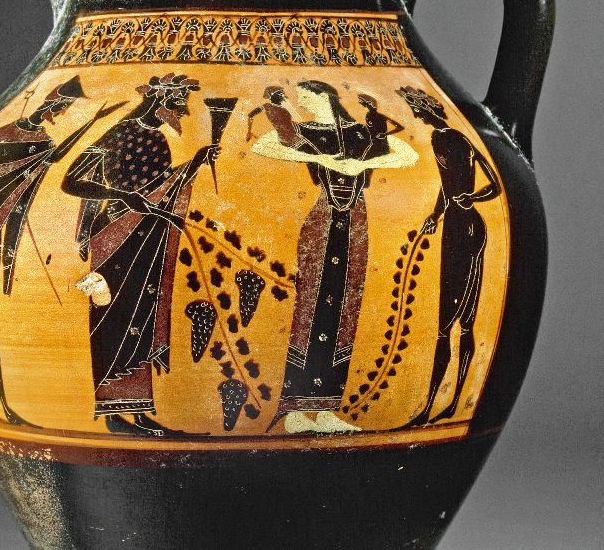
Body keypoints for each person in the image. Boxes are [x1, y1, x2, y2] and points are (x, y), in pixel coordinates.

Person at [254, 81, 418, 434]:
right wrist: (319, 158)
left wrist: (361, 165)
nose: (302, 102)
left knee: (346, 310)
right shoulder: (306, 132)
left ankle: (328, 409)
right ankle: (295, 412)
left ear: (323, 96)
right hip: (322, 222)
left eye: (306, 96)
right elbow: (263, 143)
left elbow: (408, 154)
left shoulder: (361, 133)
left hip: (355, 222)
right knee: (310, 306)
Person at [62, 73, 219, 437]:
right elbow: (70, 182)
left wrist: (195, 163)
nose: (181, 113)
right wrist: (121, 197)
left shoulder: (159, 138)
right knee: (112, 318)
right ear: (158, 100)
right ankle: (113, 412)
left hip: (146, 235)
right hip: (114, 235)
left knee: (142, 317)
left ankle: (139, 410)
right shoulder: (119, 133)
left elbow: (158, 189)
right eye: (176, 104)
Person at [0, 76, 114, 426]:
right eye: (60, 107)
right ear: (49, 103)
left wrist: (91, 123)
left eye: (63, 109)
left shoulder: (42, 142)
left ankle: (3, 408)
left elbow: (41, 172)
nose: (59, 114)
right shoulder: (1, 135)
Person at [396, 86, 501, 427]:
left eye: (415, 108)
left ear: (425, 109)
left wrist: (472, 198)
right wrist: (436, 214)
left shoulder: (455, 137)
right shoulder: (441, 138)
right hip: (457, 224)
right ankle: (447, 404)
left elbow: (494, 184)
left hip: (465, 228)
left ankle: (436, 406)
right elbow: (448, 185)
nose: (414, 113)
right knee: (461, 320)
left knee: (451, 323)